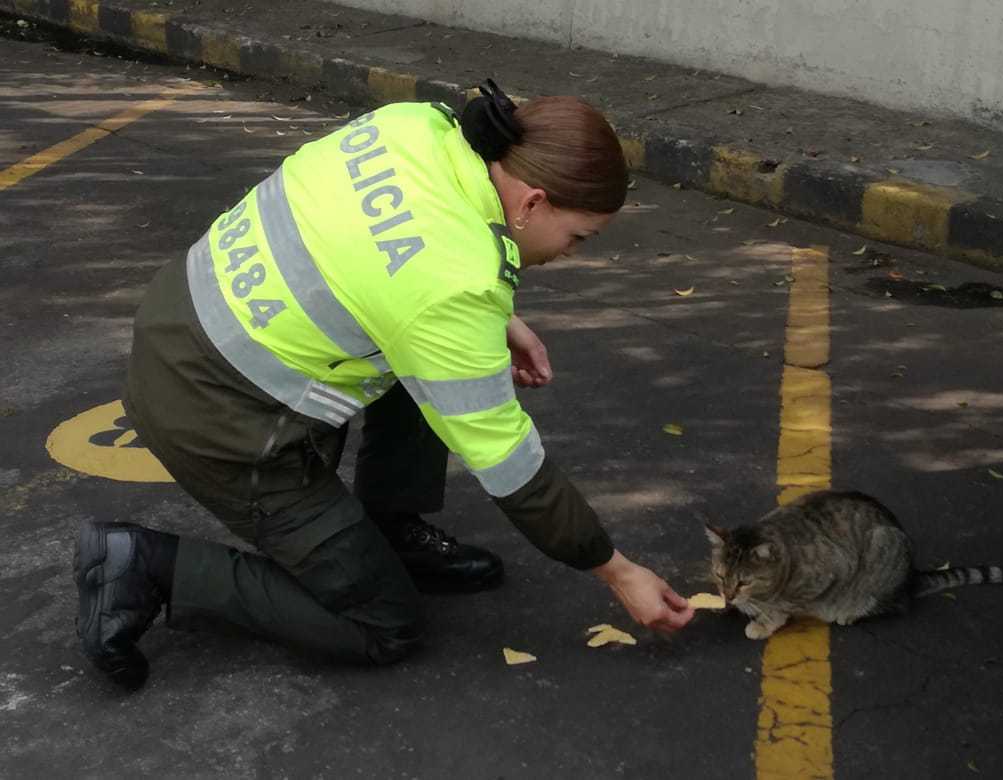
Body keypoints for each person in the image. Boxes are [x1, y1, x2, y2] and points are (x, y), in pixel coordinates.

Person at [73, 79, 695, 691]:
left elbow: (382, 246)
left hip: (177, 323)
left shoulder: (415, 126)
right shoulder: (453, 288)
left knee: (421, 366)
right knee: (384, 624)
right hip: (220, 425)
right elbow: (512, 468)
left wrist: (496, 321)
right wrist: (616, 571)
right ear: (531, 203)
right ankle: (146, 566)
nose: (570, 252)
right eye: (577, 236)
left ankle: (392, 528)